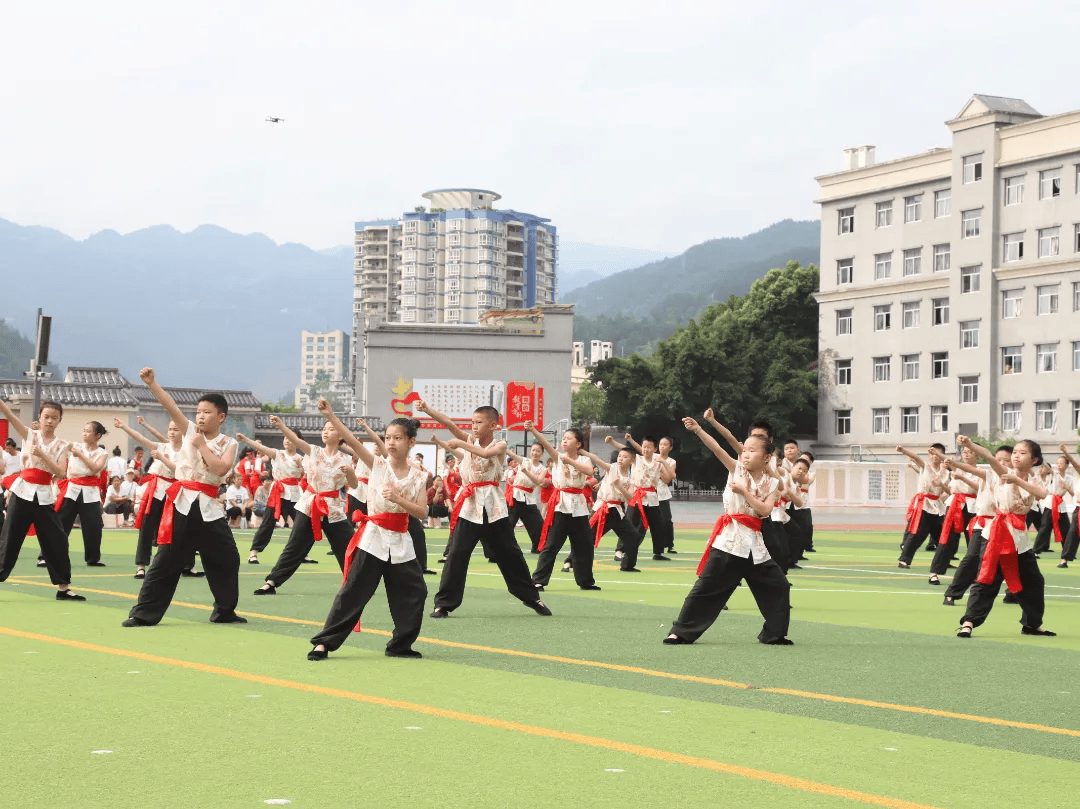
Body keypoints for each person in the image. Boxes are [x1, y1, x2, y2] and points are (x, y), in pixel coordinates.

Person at [123, 367, 245, 627]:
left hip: (210, 507)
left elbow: (221, 469)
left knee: (227, 558)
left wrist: (202, 446)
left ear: (221, 416)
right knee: (167, 558)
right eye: (199, 412)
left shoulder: (229, 443)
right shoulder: (189, 430)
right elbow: (170, 406)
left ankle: (224, 611)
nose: (200, 417)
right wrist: (152, 384)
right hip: (183, 502)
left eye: (207, 412)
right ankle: (143, 614)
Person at [308, 416, 430, 661]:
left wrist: (399, 500)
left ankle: (400, 644)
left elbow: (422, 512)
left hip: (401, 541)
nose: (391, 443)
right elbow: (352, 440)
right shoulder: (377, 464)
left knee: (415, 591)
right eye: (388, 438)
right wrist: (331, 415)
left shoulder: (419, 476)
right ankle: (324, 643)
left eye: (397, 438)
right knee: (353, 591)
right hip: (373, 538)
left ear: (411, 442)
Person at [664, 416, 792, 646]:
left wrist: (744, 493)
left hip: (755, 547)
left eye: (752, 451)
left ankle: (774, 634)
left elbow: (764, 510)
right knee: (705, 588)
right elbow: (716, 448)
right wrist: (699, 430)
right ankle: (680, 632)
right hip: (729, 542)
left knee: (779, 586)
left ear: (767, 458)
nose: (745, 454)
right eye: (745, 450)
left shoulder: (772, 483)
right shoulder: (736, 469)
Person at [419, 400, 550, 619]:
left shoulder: (499, 445)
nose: (474, 426)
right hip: (469, 506)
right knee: (456, 555)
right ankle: (443, 604)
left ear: (493, 425)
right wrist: (427, 410)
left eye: (479, 422)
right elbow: (450, 424)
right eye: (472, 422)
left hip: (493, 506)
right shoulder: (470, 439)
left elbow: (487, 455)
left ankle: (532, 597)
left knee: (510, 553)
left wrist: (460, 445)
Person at [253, 402, 358, 596]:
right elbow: (295, 439)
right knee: (295, 546)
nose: (326, 432)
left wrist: (350, 472)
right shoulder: (313, 451)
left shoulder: (346, 459)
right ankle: (271, 582)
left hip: (333, 508)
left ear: (341, 435)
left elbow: (354, 484)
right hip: (309, 505)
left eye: (331, 429)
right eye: (324, 429)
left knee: (348, 545)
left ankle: (355, 583)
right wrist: (281, 425)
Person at [955, 435, 1055, 638]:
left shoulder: (1034, 480)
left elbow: (1042, 494)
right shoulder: (1003, 473)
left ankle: (1032, 624)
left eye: (1022, 453)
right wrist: (969, 445)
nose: (1016, 456)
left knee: (1034, 582)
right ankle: (968, 622)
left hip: (1020, 541)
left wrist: (1017, 480)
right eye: (1015, 452)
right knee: (987, 579)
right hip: (996, 536)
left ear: (1034, 460)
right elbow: (988, 456)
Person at [0, 398, 86, 600]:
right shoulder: (30, 435)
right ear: (39, 417)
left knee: (57, 540)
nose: (49, 421)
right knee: (9, 540)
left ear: (59, 420)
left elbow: (60, 473)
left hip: (44, 497)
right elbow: (11, 417)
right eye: (46, 416)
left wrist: (41, 454)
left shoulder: (62, 445)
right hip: (22, 493)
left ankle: (64, 588)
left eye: (54, 418)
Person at [528, 422, 600, 592]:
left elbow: (589, 471)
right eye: (564, 438)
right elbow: (545, 443)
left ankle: (586, 581)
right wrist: (533, 430)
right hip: (561, 505)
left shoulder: (584, 459)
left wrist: (570, 462)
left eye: (569, 438)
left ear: (579, 444)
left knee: (584, 545)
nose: (565, 441)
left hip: (579, 507)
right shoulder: (558, 457)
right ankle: (538, 580)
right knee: (552, 544)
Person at [941, 445, 1012, 606]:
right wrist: (955, 463)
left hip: (1003, 525)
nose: (1002, 463)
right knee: (972, 558)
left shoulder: (1013, 478)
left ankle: (1015, 593)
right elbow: (973, 470)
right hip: (983, 523)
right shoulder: (987, 473)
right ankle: (953, 593)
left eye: (1006, 460)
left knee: (1011, 559)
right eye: (998, 459)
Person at [113, 417, 182, 579]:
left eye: (176, 429)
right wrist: (124, 427)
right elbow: (141, 438)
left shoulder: (187, 451)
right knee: (147, 527)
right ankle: (141, 565)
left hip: (176, 492)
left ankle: (184, 565)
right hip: (157, 490)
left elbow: (180, 471)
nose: (171, 432)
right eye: (170, 429)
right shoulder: (162, 446)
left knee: (178, 529)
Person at [236, 430, 306, 564]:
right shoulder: (277, 453)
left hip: (295, 494)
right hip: (277, 494)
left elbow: (307, 473)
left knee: (301, 525)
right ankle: (253, 553)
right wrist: (245, 439)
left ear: (298, 441)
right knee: (268, 523)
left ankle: (302, 553)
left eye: (290, 438)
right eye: (285, 437)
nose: (286, 440)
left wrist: (300, 465)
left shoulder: (301, 458)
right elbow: (261, 448)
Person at [607, 433, 675, 561]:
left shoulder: (658, 462)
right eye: (644, 447)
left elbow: (671, 475)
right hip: (637, 497)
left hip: (652, 498)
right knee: (630, 523)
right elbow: (625, 451)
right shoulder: (637, 459)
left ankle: (658, 552)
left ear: (655, 449)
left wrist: (664, 463)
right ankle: (620, 551)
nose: (646, 449)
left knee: (658, 525)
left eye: (649, 447)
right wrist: (612, 442)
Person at [56, 420, 109, 566]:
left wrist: (80, 455)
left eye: (88, 431)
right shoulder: (75, 446)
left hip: (90, 491)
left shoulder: (102, 453)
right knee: (61, 522)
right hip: (72, 488)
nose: (84, 433)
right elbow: (58, 442)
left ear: (97, 435)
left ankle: (93, 558)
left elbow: (95, 469)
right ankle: (47, 555)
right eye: (83, 430)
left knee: (94, 525)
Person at [582, 445, 643, 572]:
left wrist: (619, 485)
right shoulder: (611, 468)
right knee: (587, 537)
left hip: (618, 511)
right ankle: (570, 561)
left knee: (634, 537)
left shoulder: (631, 477)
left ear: (632, 461)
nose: (620, 459)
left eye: (625, 457)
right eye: (620, 456)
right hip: (603, 509)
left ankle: (627, 565)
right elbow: (596, 459)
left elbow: (630, 497)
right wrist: (581, 451)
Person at [926, 444, 979, 585]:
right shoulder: (957, 468)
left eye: (970, 452)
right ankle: (934, 572)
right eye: (964, 452)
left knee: (974, 540)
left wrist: (963, 478)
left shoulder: (981, 472)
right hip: (955, 505)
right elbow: (950, 463)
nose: (966, 454)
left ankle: (976, 573)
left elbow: (978, 488)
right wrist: (939, 454)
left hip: (973, 506)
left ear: (978, 455)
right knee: (947, 537)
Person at [896, 444, 949, 568]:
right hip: (924, 504)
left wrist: (942, 487)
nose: (935, 456)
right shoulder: (925, 466)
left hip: (937, 506)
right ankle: (904, 560)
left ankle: (943, 562)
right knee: (918, 532)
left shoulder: (946, 472)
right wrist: (903, 450)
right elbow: (915, 456)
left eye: (938, 453)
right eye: (932, 453)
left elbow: (948, 489)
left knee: (942, 535)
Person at [506, 443, 548, 553]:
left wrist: (526, 472)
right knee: (507, 524)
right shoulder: (524, 461)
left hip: (529, 498)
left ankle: (538, 547)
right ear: (530, 451)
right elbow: (510, 453)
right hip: (515, 496)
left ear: (542, 453)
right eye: (533, 450)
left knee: (538, 524)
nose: (535, 453)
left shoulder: (543, 469)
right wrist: (501, 446)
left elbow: (538, 481)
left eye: (538, 451)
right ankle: (499, 551)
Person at [1033, 456, 1073, 556]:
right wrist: (1039, 456)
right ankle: (1035, 551)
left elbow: (1073, 494)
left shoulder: (1070, 478)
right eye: (1057, 463)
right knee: (1045, 528)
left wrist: (1067, 487)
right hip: (1050, 504)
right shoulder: (1054, 474)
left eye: (1061, 463)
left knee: (1066, 529)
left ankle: (1067, 552)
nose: (1059, 465)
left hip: (1061, 505)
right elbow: (1047, 466)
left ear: (1067, 465)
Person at [1056, 444, 1080, 568]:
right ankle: (1064, 559)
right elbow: (1074, 463)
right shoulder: (1079, 472)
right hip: (1078, 509)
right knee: (1072, 533)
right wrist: (1065, 452)